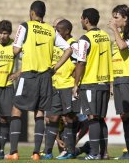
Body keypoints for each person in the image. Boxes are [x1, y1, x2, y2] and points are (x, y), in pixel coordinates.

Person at [4, 0, 72, 161]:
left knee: (16, 109)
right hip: (45, 77)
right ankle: (36, 153)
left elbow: (15, 50)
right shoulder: (51, 30)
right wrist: (54, 68)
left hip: (28, 75)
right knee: (39, 112)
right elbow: (68, 50)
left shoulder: (25, 26)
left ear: (32, 12)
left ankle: (13, 151)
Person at [73, 8, 113, 160]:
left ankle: (94, 153)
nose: (81, 21)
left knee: (92, 117)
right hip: (104, 82)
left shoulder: (85, 39)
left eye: (81, 18)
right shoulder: (105, 36)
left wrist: (76, 83)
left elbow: (81, 62)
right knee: (100, 118)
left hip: (90, 82)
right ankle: (103, 153)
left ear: (86, 20)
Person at [41, 19, 79, 160]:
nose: (56, 32)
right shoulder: (56, 43)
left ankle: (70, 151)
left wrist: (76, 84)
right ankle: (48, 152)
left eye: (58, 30)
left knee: (68, 118)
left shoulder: (74, 44)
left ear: (67, 31)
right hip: (54, 85)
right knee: (52, 117)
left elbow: (79, 65)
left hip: (67, 86)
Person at [108, 4, 129, 159]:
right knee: (123, 115)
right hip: (119, 79)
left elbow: (122, 47)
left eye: (116, 17)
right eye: (113, 17)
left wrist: (114, 29)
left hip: (128, 78)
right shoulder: (119, 34)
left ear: (125, 18)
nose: (114, 20)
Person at [0, 20, 19, 159]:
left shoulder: (14, 45)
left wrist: (17, 73)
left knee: (4, 119)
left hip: (7, 87)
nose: (3, 36)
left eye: (6, 34)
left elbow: (27, 60)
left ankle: (1, 149)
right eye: (1, 33)